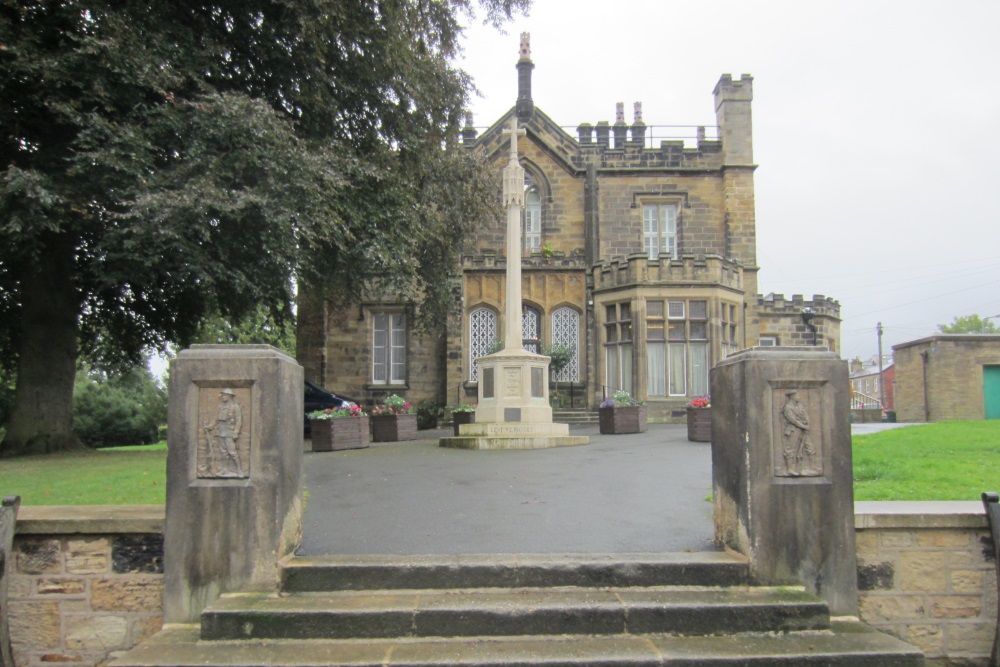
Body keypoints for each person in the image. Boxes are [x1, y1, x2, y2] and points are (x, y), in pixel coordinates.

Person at [203, 388, 245, 478]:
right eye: (222, 395)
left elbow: (239, 420)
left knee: (232, 452)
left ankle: (239, 470)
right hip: (221, 431)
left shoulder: (235, 406)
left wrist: (236, 432)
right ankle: (224, 469)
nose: (223, 397)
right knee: (223, 452)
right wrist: (210, 427)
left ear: (230, 396)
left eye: (225, 395)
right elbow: (216, 419)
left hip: (229, 431)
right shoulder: (220, 406)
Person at [781, 389, 813, 476]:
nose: (798, 397)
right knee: (790, 450)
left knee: (808, 447)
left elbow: (805, 415)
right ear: (792, 397)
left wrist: (807, 422)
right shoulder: (787, 408)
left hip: (804, 429)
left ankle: (808, 468)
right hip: (793, 430)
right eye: (797, 395)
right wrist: (804, 426)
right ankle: (790, 470)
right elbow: (793, 420)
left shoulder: (799, 406)